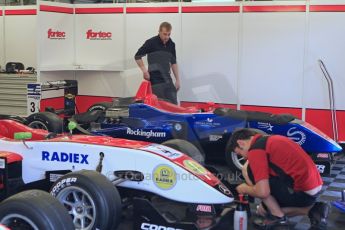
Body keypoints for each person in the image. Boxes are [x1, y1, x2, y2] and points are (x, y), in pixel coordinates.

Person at [228, 128, 329, 229]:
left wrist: (245, 188)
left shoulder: (256, 150)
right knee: (264, 209)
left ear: (241, 143)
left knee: (248, 170)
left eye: (240, 153)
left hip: (301, 192)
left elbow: (263, 192)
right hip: (314, 188)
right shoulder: (270, 139)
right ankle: (314, 210)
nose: (244, 157)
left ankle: (278, 218)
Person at [135, 22, 180, 105]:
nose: (167, 37)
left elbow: (173, 62)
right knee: (159, 105)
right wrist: (144, 71)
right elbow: (137, 56)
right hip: (155, 80)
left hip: (167, 79)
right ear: (159, 31)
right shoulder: (150, 43)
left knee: (174, 104)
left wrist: (177, 80)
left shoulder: (171, 44)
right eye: (164, 34)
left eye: (169, 34)